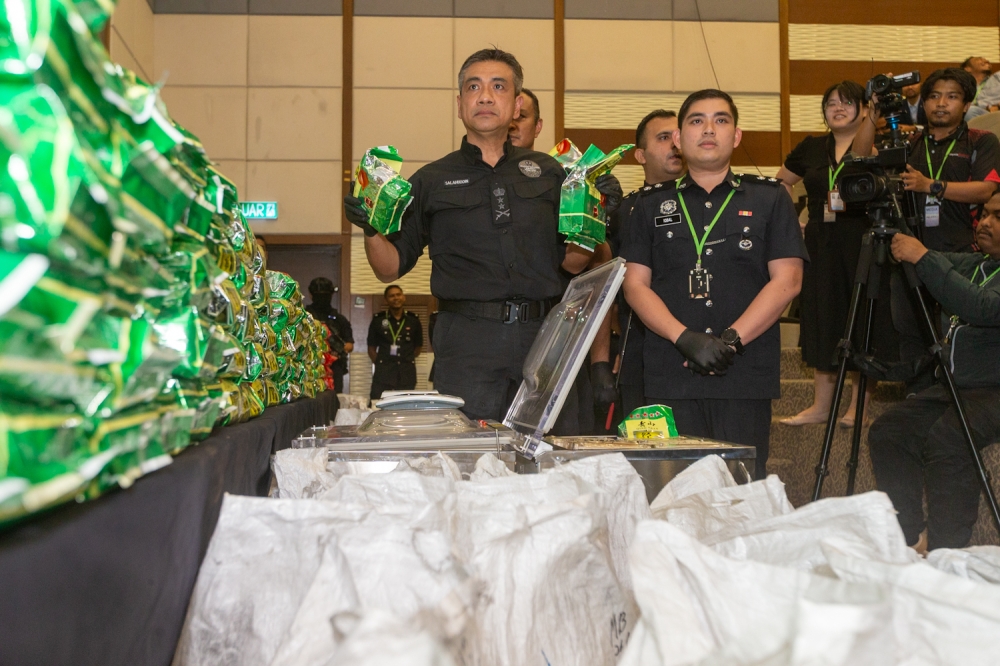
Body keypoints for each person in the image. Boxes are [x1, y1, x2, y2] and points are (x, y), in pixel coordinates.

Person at [344, 48, 622, 422]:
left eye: (498, 86)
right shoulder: (430, 180)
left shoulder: (552, 174)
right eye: (474, 87)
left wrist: (595, 213)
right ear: (460, 104)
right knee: (471, 459)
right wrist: (370, 228)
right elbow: (389, 268)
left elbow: (572, 263)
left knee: (553, 453)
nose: (486, 96)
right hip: (467, 343)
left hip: (545, 336)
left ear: (516, 103)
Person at [621, 89, 807, 477]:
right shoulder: (648, 205)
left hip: (743, 375)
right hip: (670, 375)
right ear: (678, 137)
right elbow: (635, 285)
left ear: (736, 136)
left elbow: (787, 281)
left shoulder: (770, 199)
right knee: (670, 494)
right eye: (696, 121)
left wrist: (731, 340)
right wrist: (682, 337)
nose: (709, 129)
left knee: (740, 494)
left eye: (721, 120)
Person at [853, 67, 1000, 393]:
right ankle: (916, 401)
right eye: (934, 96)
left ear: (966, 104)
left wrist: (929, 186)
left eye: (952, 96)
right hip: (908, 255)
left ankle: (954, 403)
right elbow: (860, 156)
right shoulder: (910, 140)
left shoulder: (981, 141)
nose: (941, 103)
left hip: (961, 257)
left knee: (953, 332)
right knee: (911, 334)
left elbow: (986, 191)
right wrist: (872, 110)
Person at [869, 190, 1000, 551]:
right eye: (984, 214)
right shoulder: (978, 265)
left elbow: (981, 307)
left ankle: (946, 549)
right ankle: (907, 537)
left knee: (948, 437)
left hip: (994, 391)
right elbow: (939, 266)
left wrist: (924, 257)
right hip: (959, 388)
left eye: (997, 217)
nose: (985, 223)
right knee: (889, 430)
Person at [776, 81, 894, 428]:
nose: (837, 108)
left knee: (860, 317)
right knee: (822, 316)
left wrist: (873, 115)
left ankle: (859, 407)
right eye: (830, 103)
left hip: (863, 237)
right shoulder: (811, 146)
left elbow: (862, 158)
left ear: (863, 108)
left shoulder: (876, 143)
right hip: (819, 240)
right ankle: (821, 406)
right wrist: (791, 222)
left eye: (846, 102)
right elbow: (782, 181)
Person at [608, 109, 685, 418]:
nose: (675, 144)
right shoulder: (625, 212)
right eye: (664, 138)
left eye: (678, 136)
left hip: (699, 340)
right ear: (640, 155)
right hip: (639, 345)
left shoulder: (712, 203)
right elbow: (611, 289)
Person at [367, 285, 423, 400]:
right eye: (391, 296)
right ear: (386, 300)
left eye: (398, 294)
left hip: (406, 372)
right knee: (377, 403)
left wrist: (407, 358)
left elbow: (418, 347)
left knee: (405, 406)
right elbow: (371, 348)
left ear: (404, 297)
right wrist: (380, 363)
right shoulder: (378, 320)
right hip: (384, 373)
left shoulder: (413, 320)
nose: (396, 298)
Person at [305, 277, 354, 393]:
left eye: (325, 295)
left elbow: (349, 346)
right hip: (310, 367)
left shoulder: (339, 319)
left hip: (333, 367)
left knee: (334, 402)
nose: (322, 299)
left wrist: (334, 347)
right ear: (311, 295)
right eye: (319, 295)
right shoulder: (304, 317)